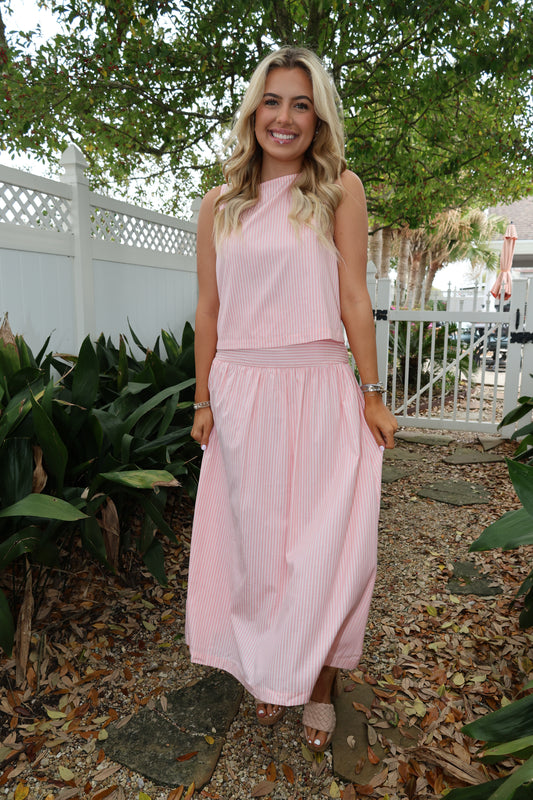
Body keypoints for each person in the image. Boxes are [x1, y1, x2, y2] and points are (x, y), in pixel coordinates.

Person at [185, 45, 397, 753]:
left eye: (300, 104)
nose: (284, 117)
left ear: (317, 118)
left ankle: (318, 685)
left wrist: (371, 394)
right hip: (242, 394)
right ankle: (266, 672)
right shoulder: (219, 204)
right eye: (272, 101)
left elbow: (352, 298)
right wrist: (201, 401)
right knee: (258, 549)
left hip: (317, 388)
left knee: (327, 551)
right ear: (254, 113)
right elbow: (208, 310)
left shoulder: (339, 188)